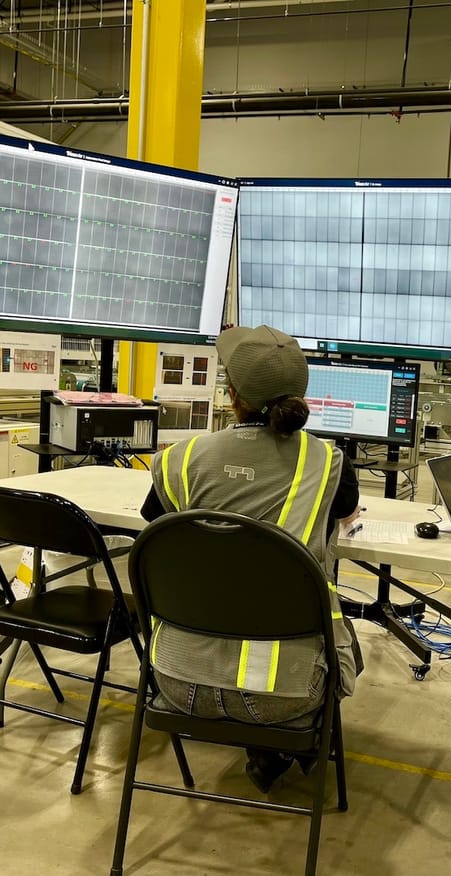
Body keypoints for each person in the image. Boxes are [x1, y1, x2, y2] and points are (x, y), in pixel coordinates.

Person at [139, 325, 362, 793]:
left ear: (232, 393)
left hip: (176, 679)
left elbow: (157, 526)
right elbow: (344, 514)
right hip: (284, 693)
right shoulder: (328, 462)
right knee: (350, 650)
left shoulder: (179, 460)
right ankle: (277, 747)